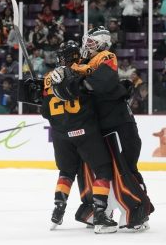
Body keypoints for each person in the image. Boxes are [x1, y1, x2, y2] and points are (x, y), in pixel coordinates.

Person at [55, 26, 153, 230]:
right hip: (101, 128)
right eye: (86, 42)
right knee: (99, 170)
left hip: (120, 126)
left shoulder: (106, 57)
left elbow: (100, 84)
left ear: (102, 43)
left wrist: (74, 84)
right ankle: (99, 210)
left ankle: (138, 212)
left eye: (91, 42)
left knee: (126, 170)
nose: (86, 46)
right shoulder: (87, 63)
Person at [40, 40, 117, 233]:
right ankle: (100, 216)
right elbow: (97, 90)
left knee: (66, 173)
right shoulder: (83, 69)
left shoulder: (49, 77)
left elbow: (44, 111)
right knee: (103, 170)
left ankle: (58, 210)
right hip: (84, 130)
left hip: (60, 135)